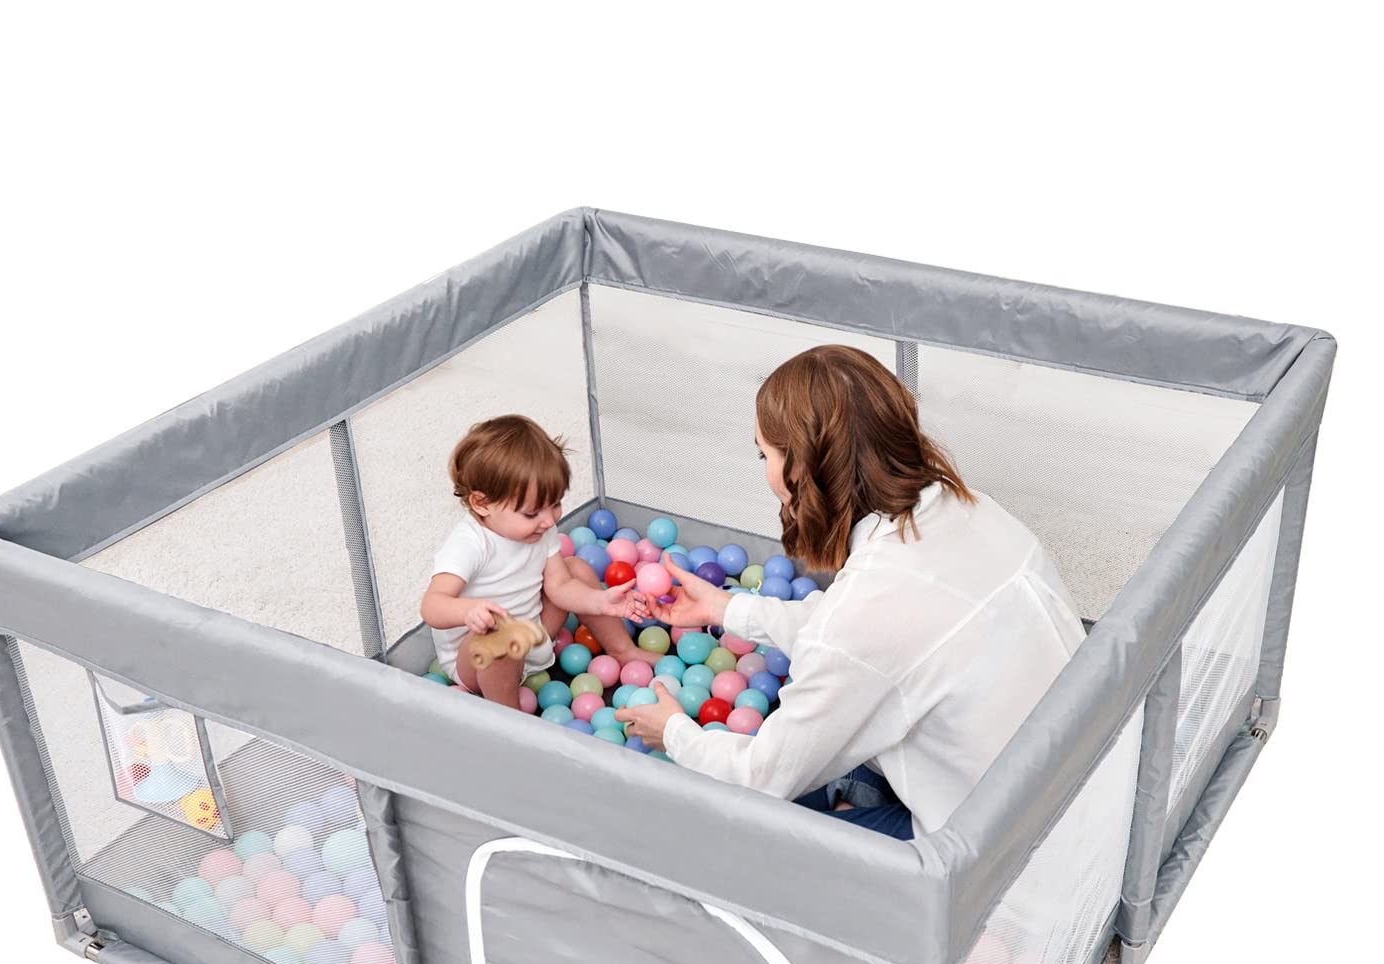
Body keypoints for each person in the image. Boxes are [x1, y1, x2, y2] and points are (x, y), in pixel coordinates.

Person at [616, 346, 1085, 839]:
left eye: (764, 454)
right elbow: (879, 636)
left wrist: (674, 733)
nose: (766, 472)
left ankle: (850, 807)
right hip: (1066, 789)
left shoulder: (865, 615)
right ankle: (853, 796)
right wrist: (728, 608)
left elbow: (758, 778)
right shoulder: (971, 509)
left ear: (801, 468)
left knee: (741, 837)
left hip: (1000, 857)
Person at [420, 416, 655, 708]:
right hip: (480, 663)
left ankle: (623, 650)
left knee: (576, 568)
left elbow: (561, 586)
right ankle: (507, 716)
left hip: (536, 636)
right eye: (531, 513)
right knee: (499, 636)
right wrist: (469, 611)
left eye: (555, 504)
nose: (548, 520)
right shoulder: (469, 544)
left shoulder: (541, 529)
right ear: (483, 504)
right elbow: (431, 606)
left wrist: (600, 601)